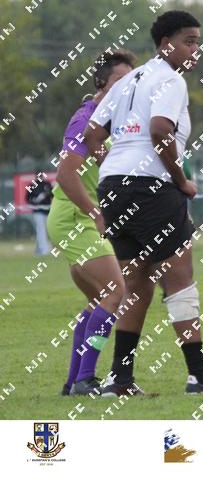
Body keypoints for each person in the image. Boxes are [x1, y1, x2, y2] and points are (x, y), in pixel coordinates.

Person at [85, 10, 203, 395]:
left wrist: (115, 167)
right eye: (189, 42)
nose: (195, 50)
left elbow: (93, 135)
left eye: (198, 43)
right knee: (180, 281)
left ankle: (119, 379)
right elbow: (160, 130)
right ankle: (198, 378)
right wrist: (181, 181)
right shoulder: (171, 79)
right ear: (166, 44)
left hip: (114, 187)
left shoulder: (128, 79)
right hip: (151, 189)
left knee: (136, 285)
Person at [47, 51, 135, 395]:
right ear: (101, 83)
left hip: (77, 218)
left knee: (100, 300)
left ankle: (74, 382)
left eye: (130, 81)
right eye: (119, 80)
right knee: (115, 293)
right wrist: (96, 214)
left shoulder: (112, 120)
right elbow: (66, 175)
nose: (126, 87)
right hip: (73, 218)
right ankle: (85, 379)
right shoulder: (85, 118)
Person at [26, 171, 53, 255]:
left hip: (48, 211)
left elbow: (53, 195)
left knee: (47, 230)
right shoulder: (31, 186)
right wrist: (35, 200)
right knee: (41, 230)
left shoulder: (48, 184)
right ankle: (44, 250)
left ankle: (39, 250)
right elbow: (27, 198)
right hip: (37, 211)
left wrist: (47, 195)